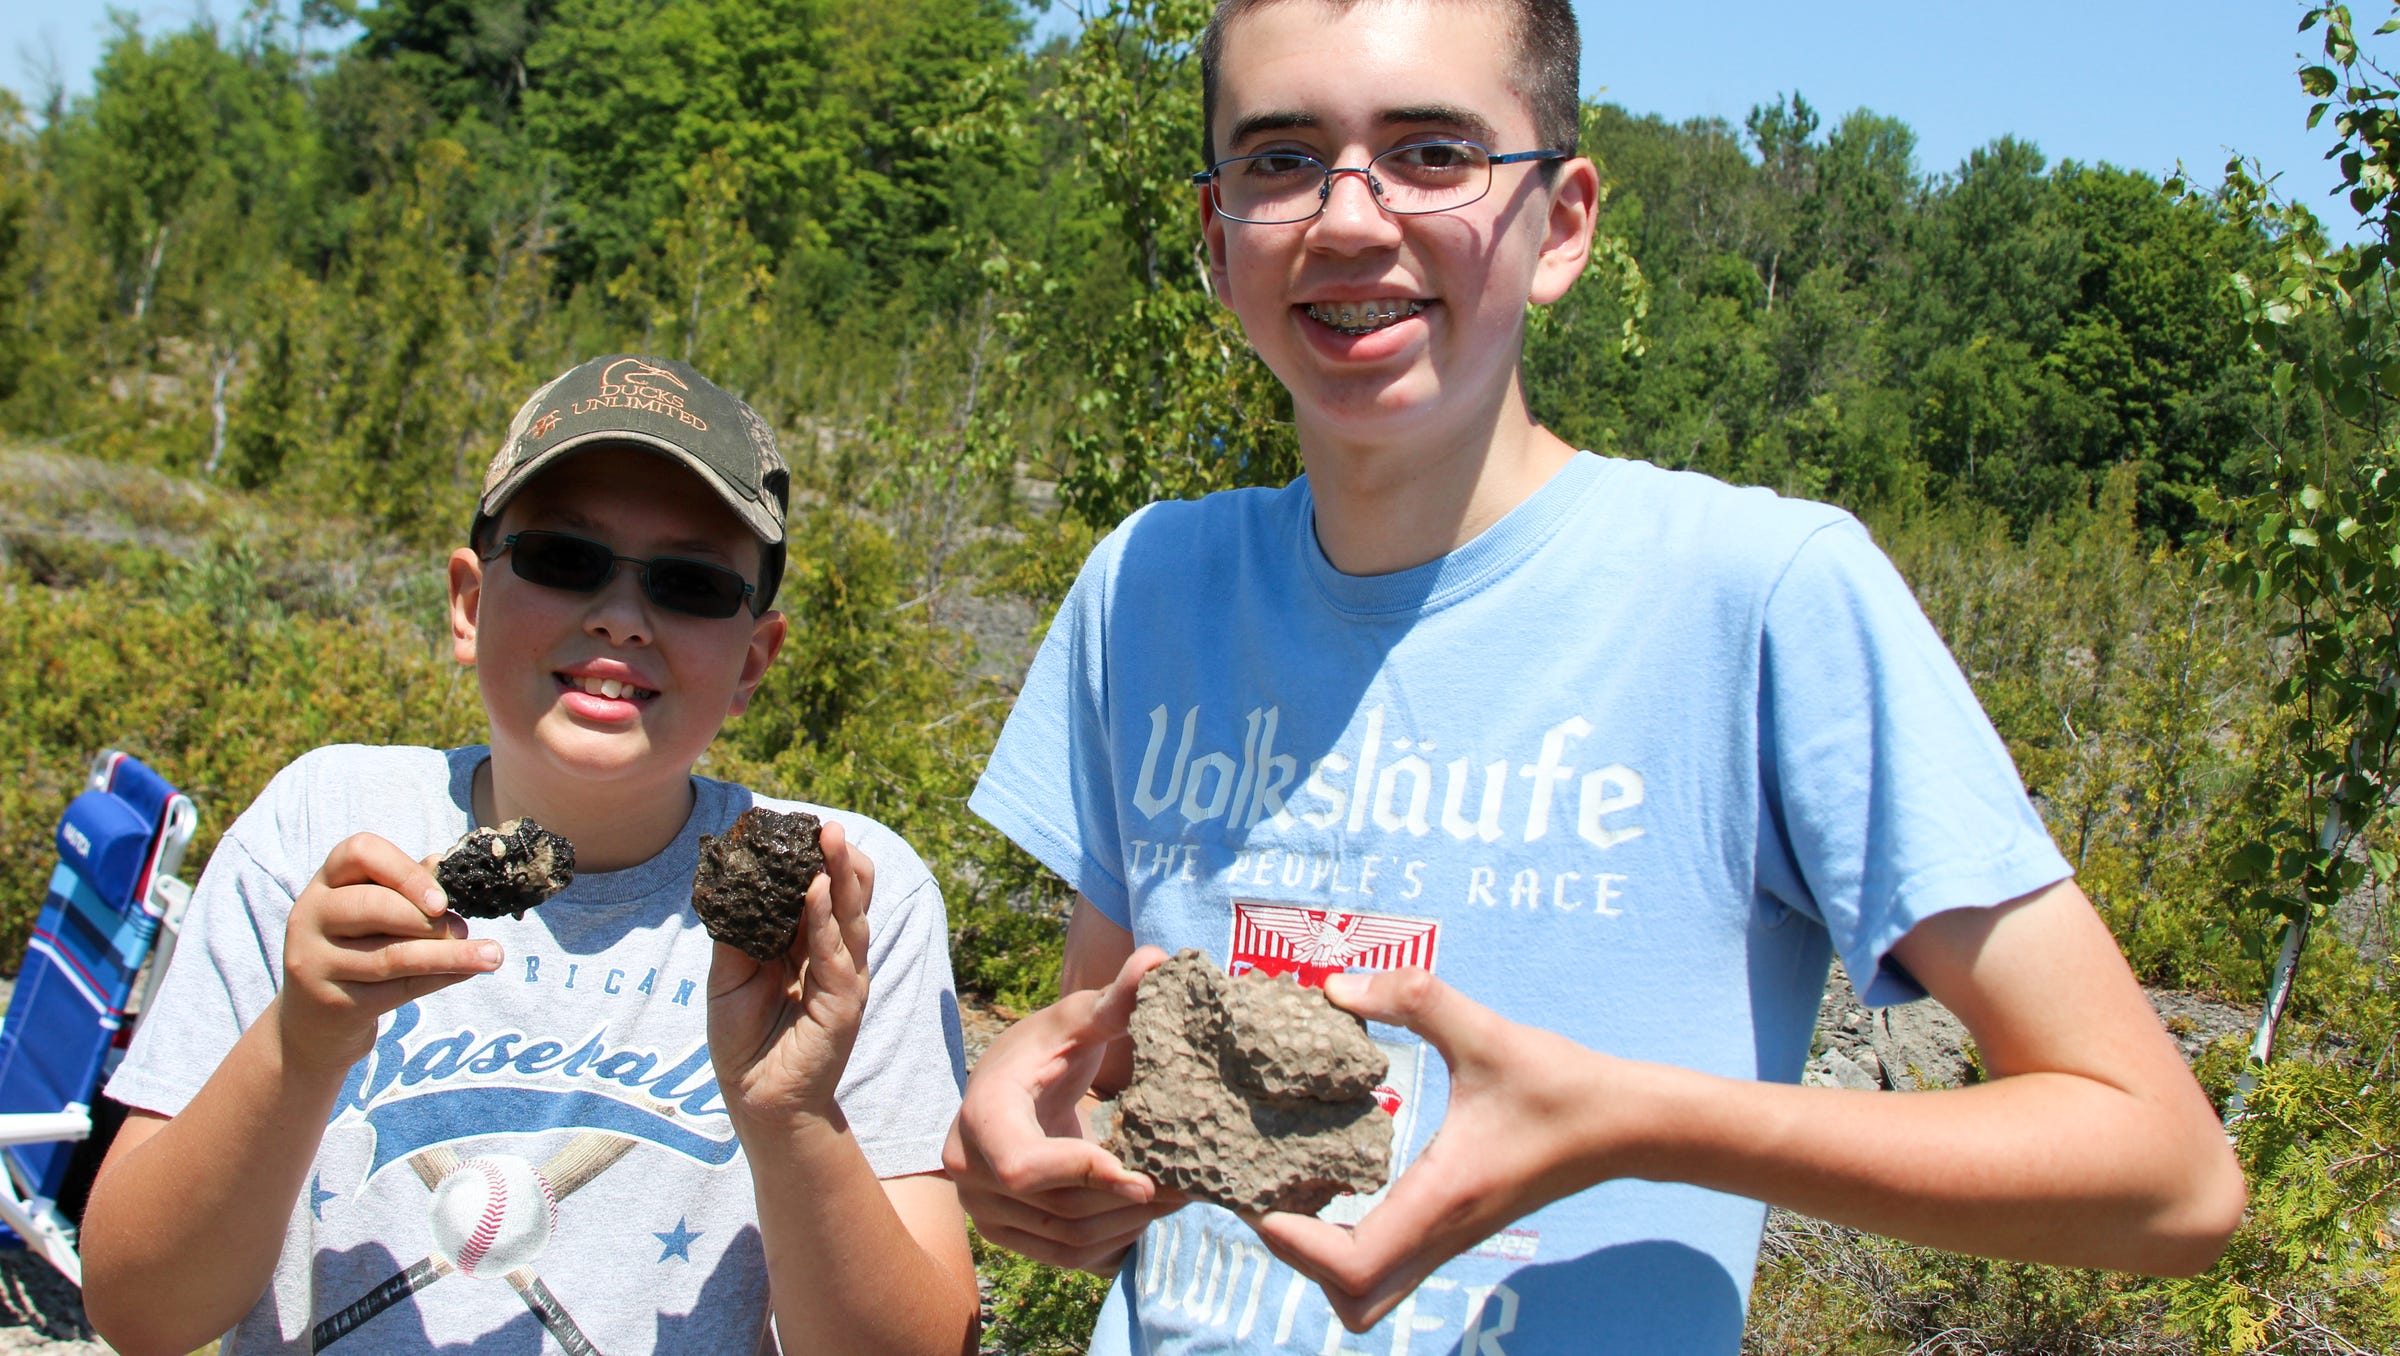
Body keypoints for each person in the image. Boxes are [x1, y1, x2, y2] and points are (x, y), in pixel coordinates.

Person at [942, 1, 2247, 1351]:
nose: (1347, 219)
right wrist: (1031, 1149)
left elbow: (2163, 1174)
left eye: (1431, 152)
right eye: (1280, 159)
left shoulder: (1760, 596)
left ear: (1560, 225)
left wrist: (1633, 1117)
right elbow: (1099, 1055)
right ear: (1218, 241)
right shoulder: (1149, 586)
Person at [79, 355, 980, 1356]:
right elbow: (139, 1312)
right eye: (563, 559)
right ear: (469, 603)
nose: (621, 617)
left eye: (688, 584)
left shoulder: (845, 903)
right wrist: (300, 1043)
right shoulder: (321, 829)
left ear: (752, 663)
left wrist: (794, 1119)